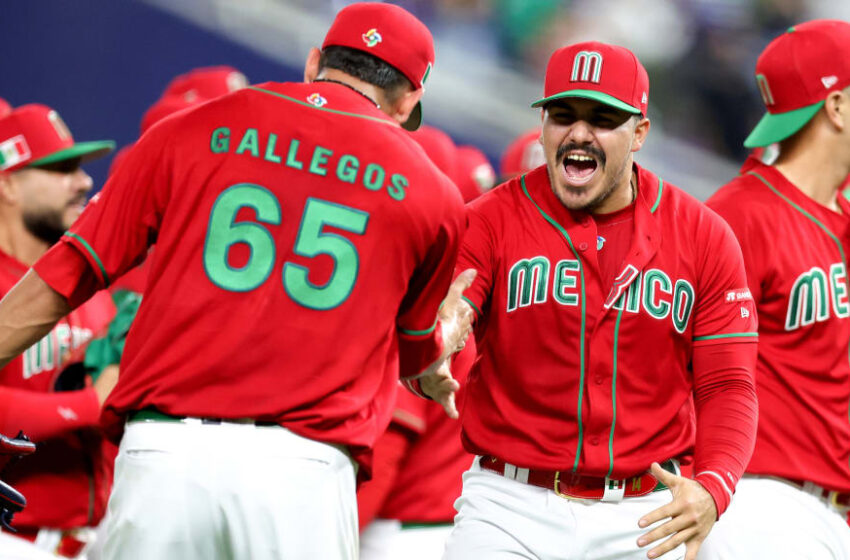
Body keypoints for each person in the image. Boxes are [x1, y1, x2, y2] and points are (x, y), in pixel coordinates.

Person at [0, 3, 471, 559]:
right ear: (410, 99)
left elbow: (66, 272)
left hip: (165, 452)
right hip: (303, 475)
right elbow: (417, 355)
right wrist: (447, 341)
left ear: (314, 61)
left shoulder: (193, 128)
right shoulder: (433, 195)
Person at [426, 41, 760, 560]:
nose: (579, 132)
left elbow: (729, 385)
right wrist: (432, 349)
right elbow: (448, 319)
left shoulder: (703, 237)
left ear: (640, 133)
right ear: (542, 125)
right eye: (563, 114)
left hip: (642, 514)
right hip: (509, 504)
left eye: (602, 118)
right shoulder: (489, 220)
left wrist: (713, 488)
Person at [700, 19, 850, 559]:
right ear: (835, 107)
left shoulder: (841, 220)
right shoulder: (741, 214)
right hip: (763, 505)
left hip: (831, 513)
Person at [0, 104, 117, 560]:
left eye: (80, 168)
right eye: (59, 169)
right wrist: (91, 404)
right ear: (7, 184)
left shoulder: (90, 285)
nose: (84, 182)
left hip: (90, 541)